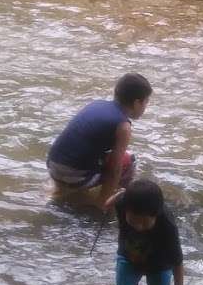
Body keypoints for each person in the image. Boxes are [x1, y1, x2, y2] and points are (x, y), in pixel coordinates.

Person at [46, 73, 152, 204]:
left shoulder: (97, 104)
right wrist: (104, 202)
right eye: (146, 102)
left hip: (53, 166)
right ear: (137, 103)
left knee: (101, 154)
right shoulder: (123, 126)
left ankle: (62, 190)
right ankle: (109, 202)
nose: (145, 108)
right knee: (129, 160)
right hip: (74, 177)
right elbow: (115, 169)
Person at [110, 178, 184, 285]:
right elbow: (107, 204)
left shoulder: (168, 226)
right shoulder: (123, 204)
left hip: (159, 264)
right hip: (128, 257)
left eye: (145, 223)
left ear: (156, 215)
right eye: (133, 220)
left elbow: (177, 262)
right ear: (126, 209)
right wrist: (118, 195)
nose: (138, 226)